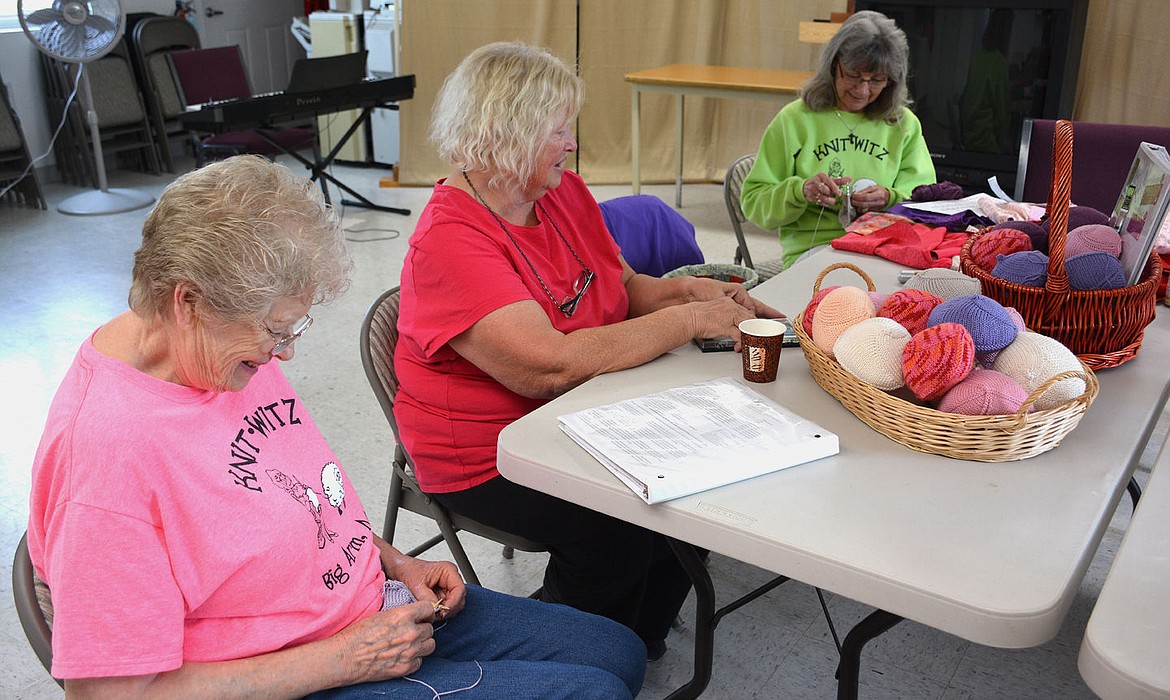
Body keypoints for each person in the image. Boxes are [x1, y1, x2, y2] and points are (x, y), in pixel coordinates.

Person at [26, 155, 646, 699]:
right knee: (591, 690)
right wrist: (339, 661)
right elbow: (109, 695)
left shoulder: (214, 351)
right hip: (295, 673)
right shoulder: (107, 456)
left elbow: (291, 501)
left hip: (370, 609)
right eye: (274, 331)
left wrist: (391, 560)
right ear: (189, 302)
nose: (285, 353)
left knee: (621, 653)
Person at [393, 42, 781, 660]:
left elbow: (624, 288)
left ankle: (632, 639)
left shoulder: (560, 193)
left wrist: (691, 290)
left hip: (583, 410)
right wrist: (688, 320)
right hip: (490, 451)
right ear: (505, 135)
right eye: (558, 130)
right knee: (614, 523)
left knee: (693, 489)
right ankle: (571, 657)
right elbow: (548, 366)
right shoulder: (450, 241)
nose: (571, 144)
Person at [741, 10, 937, 268]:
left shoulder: (904, 125)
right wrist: (801, 191)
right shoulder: (795, 120)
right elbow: (754, 204)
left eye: (877, 80)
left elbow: (928, 205)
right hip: (816, 251)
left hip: (886, 251)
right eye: (854, 75)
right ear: (833, 65)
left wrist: (889, 197)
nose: (863, 90)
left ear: (892, 80)